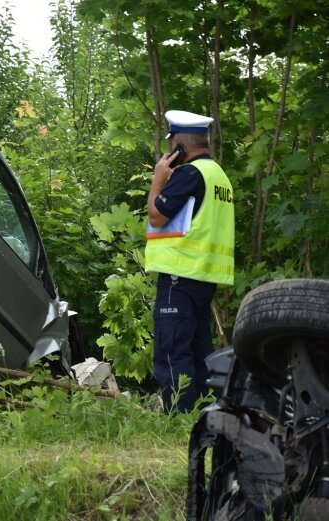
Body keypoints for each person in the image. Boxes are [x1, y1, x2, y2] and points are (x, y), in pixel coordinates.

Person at [144, 110, 235, 413]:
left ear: (180, 144)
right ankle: (206, 411)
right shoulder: (220, 176)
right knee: (199, 349)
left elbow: (157, 216)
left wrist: (159, 178)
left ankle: (178, 415)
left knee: (173, 348)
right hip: (205, 275)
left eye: (171, 143)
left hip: (180, 274)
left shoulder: (189, 173)